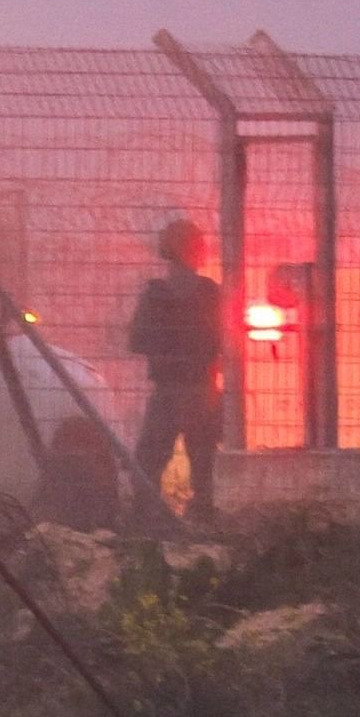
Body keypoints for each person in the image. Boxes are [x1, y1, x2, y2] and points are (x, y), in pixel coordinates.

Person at [125, 218, 222, 524]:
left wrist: (166, 345)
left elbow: (136, 340)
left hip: (167, 389)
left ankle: (150, 518)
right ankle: (202, 517)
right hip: (201, 389)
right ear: (195, 250)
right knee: (204, 462)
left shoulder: (155, 294)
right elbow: (224, 340)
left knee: (149, 460)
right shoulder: (209, 293)